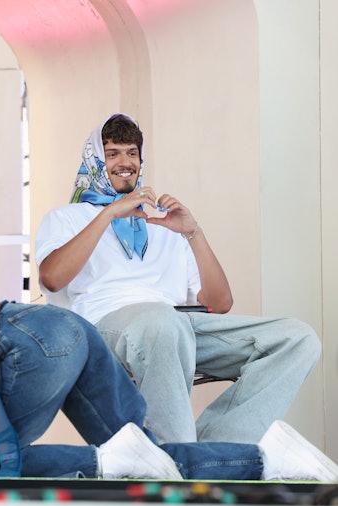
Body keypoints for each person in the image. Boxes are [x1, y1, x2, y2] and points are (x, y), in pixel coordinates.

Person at [35, 113, 321, 445]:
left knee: (297, 339)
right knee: (161, 321)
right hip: (107, 329)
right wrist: (109, 212)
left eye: (132, 153)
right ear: (95, 160)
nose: (124, 162)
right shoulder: (68, 218)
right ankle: (177, 452)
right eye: (112, 153)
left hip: (173, 327)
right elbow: (52, 278)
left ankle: (216, 448)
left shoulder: (164, 227)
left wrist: (192, 233)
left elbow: (220, 303)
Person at [0, 283, 338, 482]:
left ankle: (104, 461)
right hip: (70, 328)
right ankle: (271, 459)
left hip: (35, 341)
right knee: (148, 458)